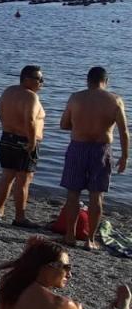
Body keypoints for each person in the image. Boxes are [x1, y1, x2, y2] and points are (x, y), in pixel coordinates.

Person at [60, 67, 130, 251]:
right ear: (105, 81)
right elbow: (124, 131)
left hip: (77, 147)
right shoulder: (115, 100)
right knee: (96, 196)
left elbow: (63, 124)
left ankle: (69, 236)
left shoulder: (75, 98)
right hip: (101, 150)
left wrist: (80, 126)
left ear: (87, 80)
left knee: (73, 194)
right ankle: (89, 239)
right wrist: (125, 156)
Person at [0, 65, 46, 228]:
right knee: (24, 180)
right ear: (27, 79)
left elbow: (1, 112)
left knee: (7, 175)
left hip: (7, 137)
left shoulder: (8, 91)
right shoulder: (31, 97)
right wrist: (31, 141)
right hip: (25, 140)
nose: (42, 82)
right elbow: (30, 120)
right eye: (39, 79)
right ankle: (19, 217)